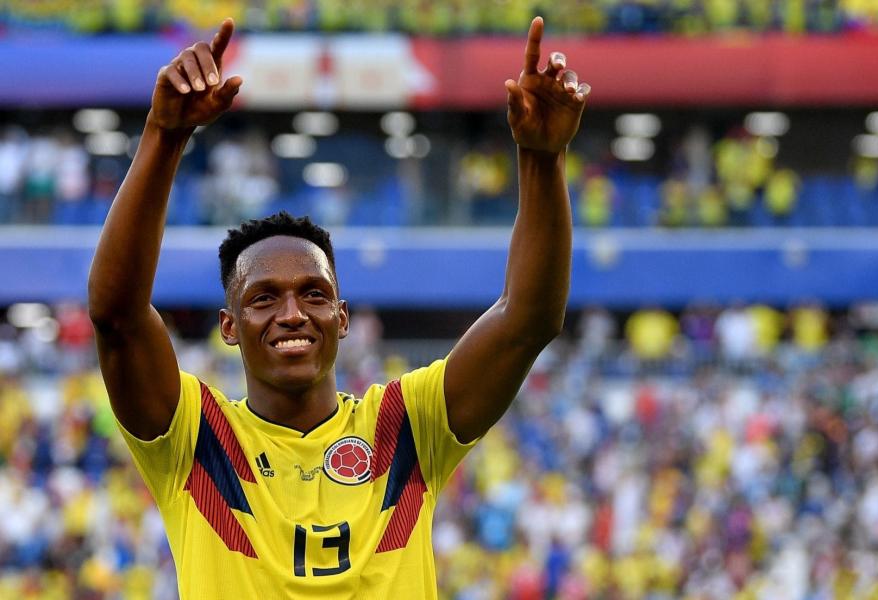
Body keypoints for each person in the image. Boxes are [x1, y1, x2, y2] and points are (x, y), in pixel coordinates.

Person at [86, 16, 590, 599]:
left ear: (343, 318)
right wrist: (164, 136)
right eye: (263, 298)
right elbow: (117, 318)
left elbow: (527, 322)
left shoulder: (407, 427)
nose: (293, 313)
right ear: (229, 327)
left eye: (314, 293)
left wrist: (542, 158)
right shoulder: (197, 440)